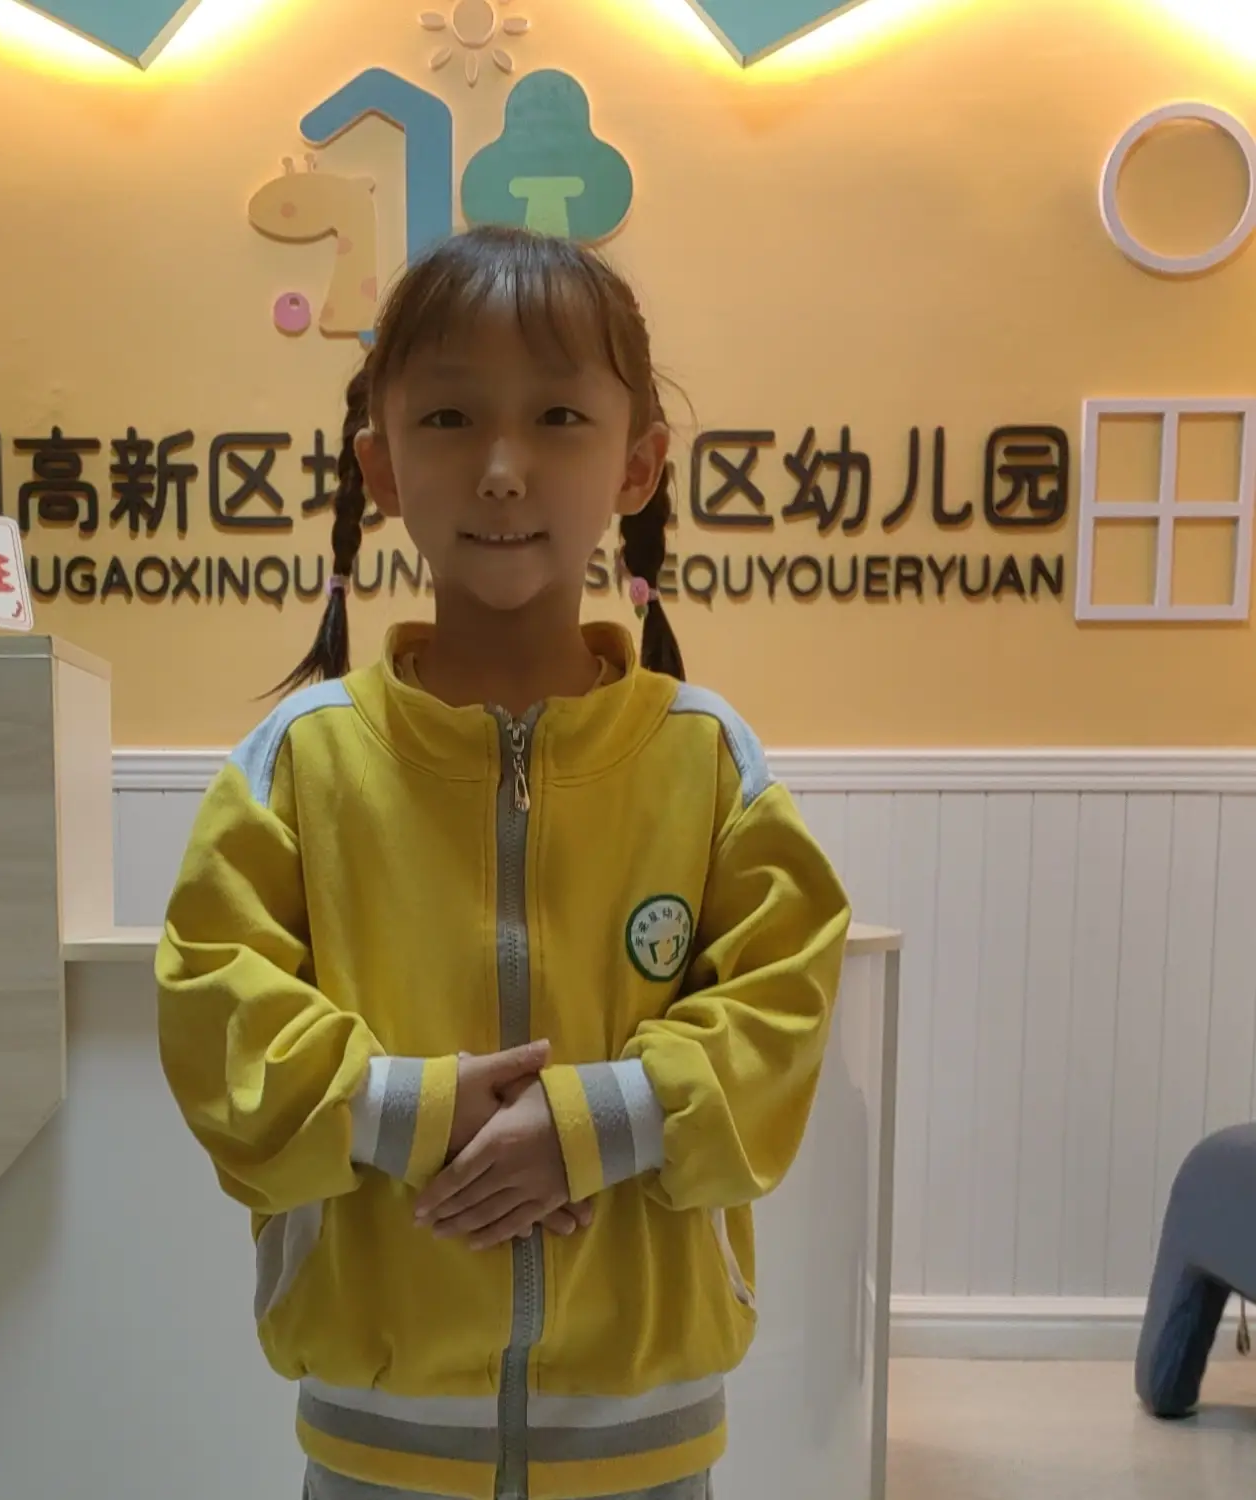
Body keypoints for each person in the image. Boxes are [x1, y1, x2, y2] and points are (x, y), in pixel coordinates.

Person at [156, 226, 851, 1500]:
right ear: (378, 464)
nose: (501, 468)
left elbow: (783, 1010)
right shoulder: (302, 761)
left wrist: (600, 1125)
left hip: (647, 1441)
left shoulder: (706, 760)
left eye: (559, 417)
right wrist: (406, 1112)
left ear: (638, 463)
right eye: (449, 417)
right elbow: (215, 1006)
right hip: (377, 1440)